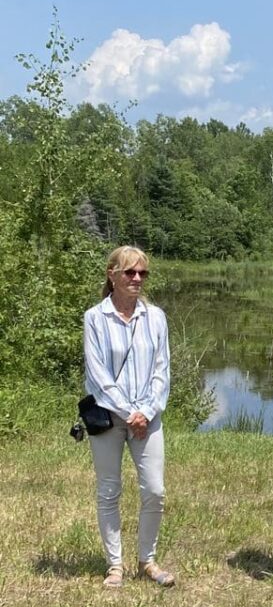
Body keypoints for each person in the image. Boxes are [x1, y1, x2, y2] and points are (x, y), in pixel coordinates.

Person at [83, 246, 173, 589]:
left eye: (142, 274)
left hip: (148, 418)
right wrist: (127, 412)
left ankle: (147, 561)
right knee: (109, 490)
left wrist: (145, 413)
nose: (136, 279)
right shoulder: (95, 317)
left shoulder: (156, 317)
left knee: (155, 489)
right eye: (129, 273)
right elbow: (98, 375)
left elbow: (162, 370)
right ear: (112, 275)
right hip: (107, 416)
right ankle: (115, 565)